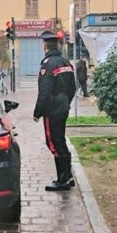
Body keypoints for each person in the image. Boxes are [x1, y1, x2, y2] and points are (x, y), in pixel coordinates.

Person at [33, 31, 77, 192]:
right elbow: (73, 87)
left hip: (52, 110)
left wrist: (37, 112)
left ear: (45, 46)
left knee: (53, 142)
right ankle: (68, 176)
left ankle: (62, 179)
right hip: (63, 107)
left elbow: (44, 92)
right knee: (60, 141)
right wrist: (66, 102)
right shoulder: (65, 62)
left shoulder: (48, 64)